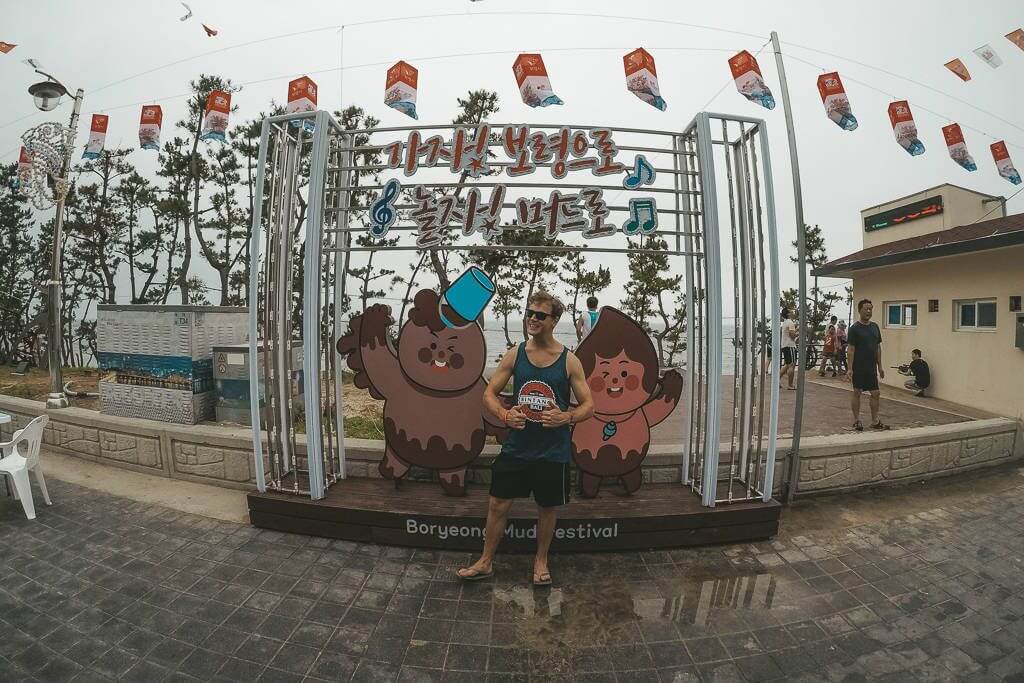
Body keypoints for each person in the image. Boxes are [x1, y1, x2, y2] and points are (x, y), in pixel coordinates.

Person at [458, 291, 594, 587]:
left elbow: (589, 406)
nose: (532, 318)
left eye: (540, 315)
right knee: (497, 504)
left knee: (547, 507)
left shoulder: (570, 361)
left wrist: (566, 417)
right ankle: (485, 561)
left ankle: (541, 561)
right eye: (529, 313)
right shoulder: (515, 354)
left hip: (552, 450)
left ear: (554, 321)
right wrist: (505, 416)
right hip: (517, 448)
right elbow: (489, 394)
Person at [846, 299, 888, 430]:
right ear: (859, 310)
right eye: (866, 309)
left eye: (870, 309)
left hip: (871, 367)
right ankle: (856, 420)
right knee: (857, 392)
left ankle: (875, 421)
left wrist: (880, 366)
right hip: (859, 367)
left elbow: (878, 348)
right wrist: (850, 368)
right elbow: (851, 350)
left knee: (876, 393)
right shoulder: (854, 329)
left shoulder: (875, 327)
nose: (868, 311)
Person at [779, 307, 798, 390]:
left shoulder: (785, 322)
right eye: (791, 311)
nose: (793, 313)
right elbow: (792, 336)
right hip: (790, 346)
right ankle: (790, 385)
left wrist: (796, 330)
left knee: (787, 364)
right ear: (788, 314)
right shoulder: (790, 322)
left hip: (784, 345)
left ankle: (776, 381)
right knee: (792, 365)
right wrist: (799, 333)